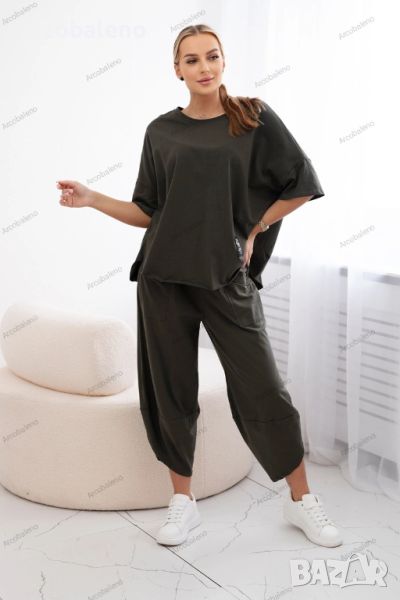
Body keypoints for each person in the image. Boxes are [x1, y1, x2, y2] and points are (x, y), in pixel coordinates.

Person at [56, 23, 343, 549]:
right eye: (191, 60)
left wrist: (253, 227)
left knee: (264, 387)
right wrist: (93, 198)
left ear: (224, 61)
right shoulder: (161, 132)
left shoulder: (252, 117)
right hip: (163, 277)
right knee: (171, 389)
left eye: (211, 56)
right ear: (177, 70)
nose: (204, 67)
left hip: (225, 276)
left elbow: (301, 183)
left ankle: (301, 500)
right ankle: (182, 502)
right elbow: (148, 210)